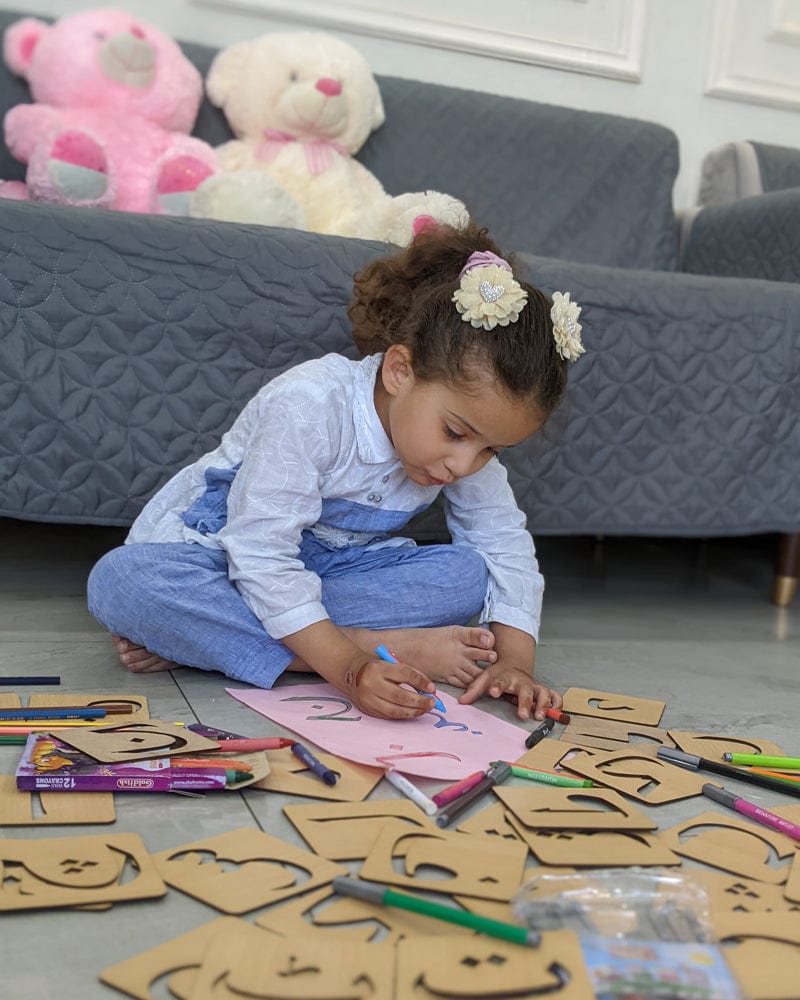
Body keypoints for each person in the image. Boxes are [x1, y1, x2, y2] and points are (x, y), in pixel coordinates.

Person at [87, 221, 585, 722]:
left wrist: (517, 662)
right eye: (455, 433)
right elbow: (259, 553)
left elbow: (502, 543)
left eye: (492, 449)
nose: (464, 464)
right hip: (221, 553)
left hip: (332, 569)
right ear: (400, 371)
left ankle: (216, 641)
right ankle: (354, 648)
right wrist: (349, 667)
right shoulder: (310, 404)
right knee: (122, 582)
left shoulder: (467, 447)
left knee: (467, 576)